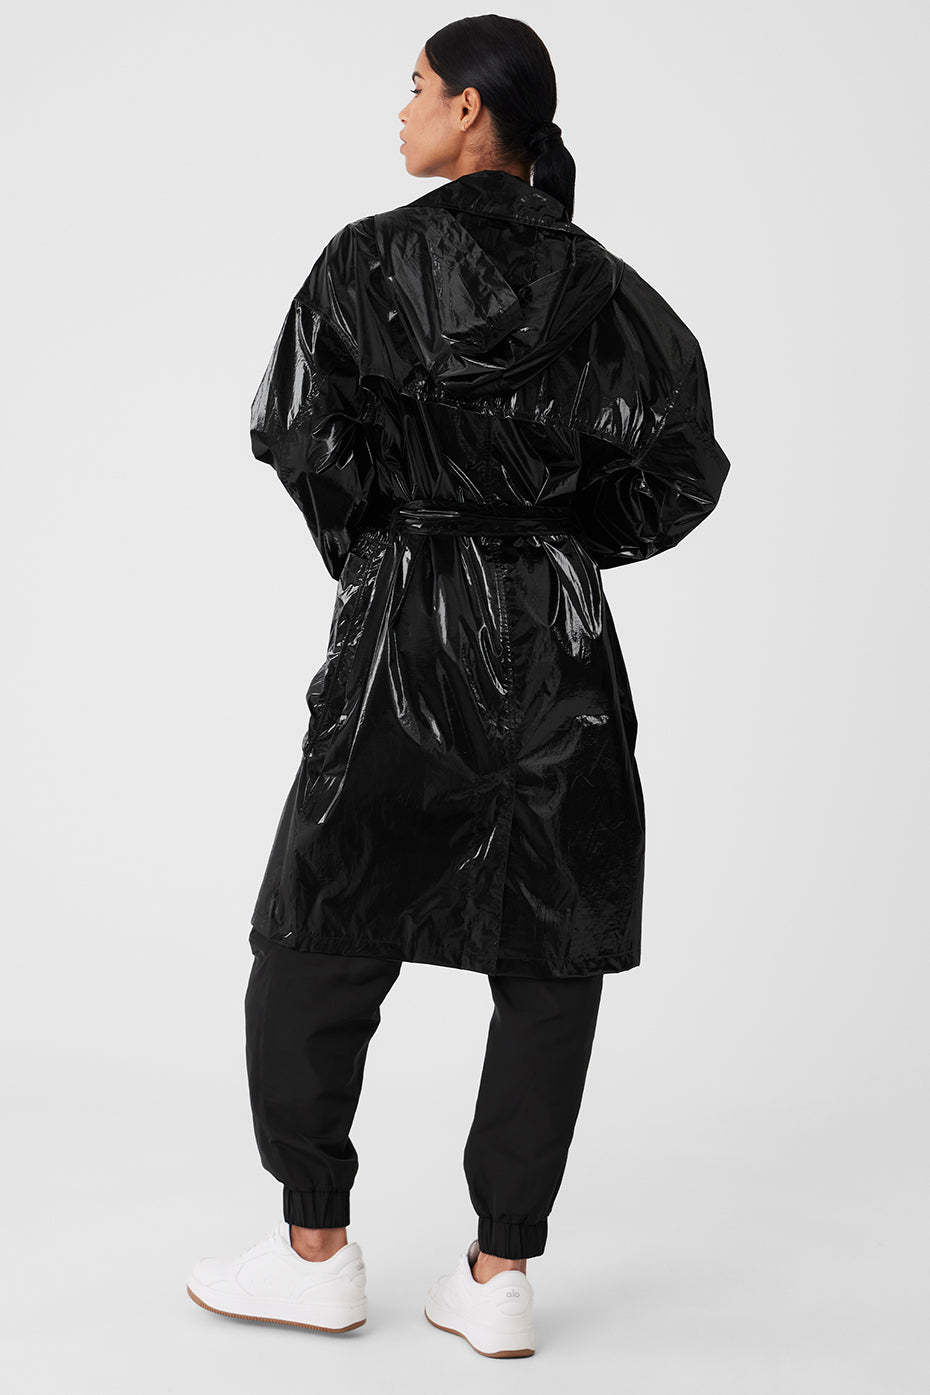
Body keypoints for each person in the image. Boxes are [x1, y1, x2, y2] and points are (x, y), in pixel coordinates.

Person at [186, 15, 731, 1359]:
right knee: (550, 947)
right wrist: (549, 541)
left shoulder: (366, 261)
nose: (405, 109)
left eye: (419, 86)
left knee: (321, 921)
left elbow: (296, 429)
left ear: (474, 110)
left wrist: (390, 547)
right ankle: (499, 1277)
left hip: (405, 626)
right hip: (556, 642)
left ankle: (314, 1250)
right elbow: (680, 468)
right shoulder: (608, 290)